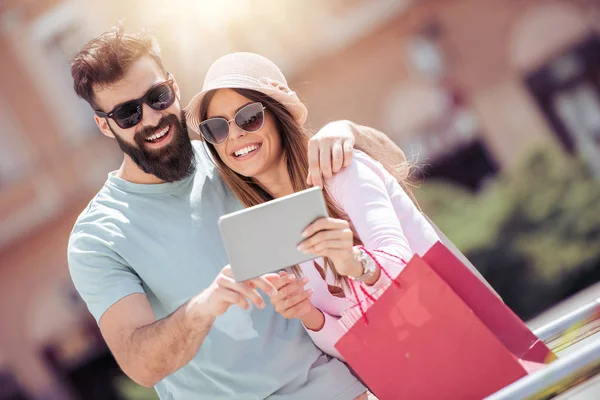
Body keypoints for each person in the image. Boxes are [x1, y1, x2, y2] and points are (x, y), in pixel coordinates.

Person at [67, 27, 407, 400]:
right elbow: (142, 365)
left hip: (339, 386)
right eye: (127, 113)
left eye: (157, 97)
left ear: (174, 88)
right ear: (104, 124)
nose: (151, 118)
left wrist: (346, 132)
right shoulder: (98, 236)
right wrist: (204, 307)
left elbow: (395, 166)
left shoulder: (231, 151)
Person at [185, 52, 442, 362]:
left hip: (459, 342)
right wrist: (308, 314)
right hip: (408, 379)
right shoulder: (269, 236)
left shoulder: (343, 173)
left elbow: (406, 273)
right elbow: (353, 350)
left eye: (249, 117)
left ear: (279, 116)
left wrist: (354, 263)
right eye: (217, 128)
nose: (236, 134)